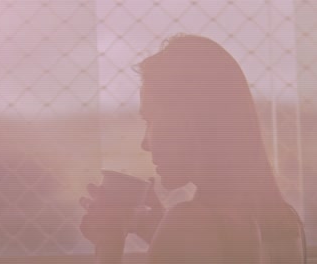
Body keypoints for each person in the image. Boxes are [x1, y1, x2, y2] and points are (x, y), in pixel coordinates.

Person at [80, 34, 306, 264]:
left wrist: (108, 242)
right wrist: (159, 228)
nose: (145, 144)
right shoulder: (285, 220)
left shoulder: (187, 224)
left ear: (191, 125)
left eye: (151, 121)